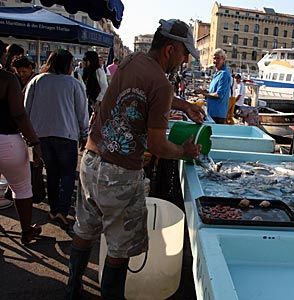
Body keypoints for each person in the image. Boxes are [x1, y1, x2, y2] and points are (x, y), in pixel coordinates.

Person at [65, 18, 204, 299]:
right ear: (169, 50)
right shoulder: (162, 84)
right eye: (184, 52)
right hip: (120, 174)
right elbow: (158, 145)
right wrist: (185, 152)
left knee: (85, 228)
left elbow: (145, 95)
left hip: (91, 160)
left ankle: (73, 288)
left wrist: (184, 104)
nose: (185, 59)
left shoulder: (131, 62)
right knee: (119, 248)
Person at [24, 49, 89, 229]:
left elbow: (25, 110)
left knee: (52, 173)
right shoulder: (74, 84)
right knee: (67, 174)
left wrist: (28, 137)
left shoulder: (36, 81)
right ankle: (62, 209)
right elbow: (82, 112)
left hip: (41, 137)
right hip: (67, 136)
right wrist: (85, 134)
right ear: (68, 65)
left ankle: (53, 209)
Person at [0, 40, 43, 243]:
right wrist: (35, 142)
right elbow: (19, 114)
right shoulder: (7, 79)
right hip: (7, 140)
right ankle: (26, 231)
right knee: (22, 188)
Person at [196, 48, 232, 124]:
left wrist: (205, 94)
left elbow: (219, 94)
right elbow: (214, 92)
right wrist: (205, 92)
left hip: (218, 114)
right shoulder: (216, 73)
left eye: (218, 58)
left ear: (223, 59)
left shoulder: (224, 74)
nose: (215, 61)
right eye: (214, 58)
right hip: (212, 112)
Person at [82, 51, 108, 116]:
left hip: (97, 105)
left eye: (86, 60)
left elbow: (104, 88)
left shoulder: (98, 72)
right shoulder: (86, 72)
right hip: (88, 103)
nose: (84, 62)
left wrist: (97, 102)